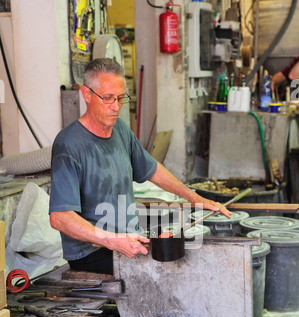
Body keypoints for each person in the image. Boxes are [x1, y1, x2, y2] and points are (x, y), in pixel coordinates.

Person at [49, 58, 231, 275]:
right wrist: (113, 240)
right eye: (107, 99)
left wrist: (194, 198)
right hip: (92, 253)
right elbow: (60, 217)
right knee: (167, 274)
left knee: (187, 260)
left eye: (120, 98)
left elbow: (152, 169)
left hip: (128, 239)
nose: (115, 107)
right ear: (87, 95)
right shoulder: (68, 145)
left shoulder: (120, 131)